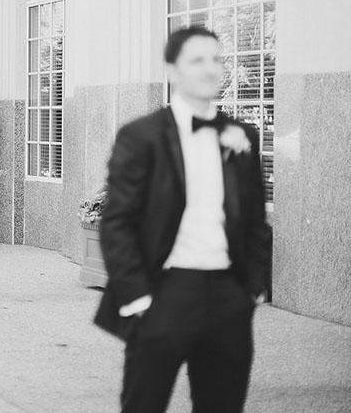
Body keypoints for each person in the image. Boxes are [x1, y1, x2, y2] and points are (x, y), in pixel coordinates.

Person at [94, 26, 271, 413]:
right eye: (197, 60)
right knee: (144, 405)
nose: (210, 68)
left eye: (216, 59)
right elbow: (117, 222)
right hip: (165, 292)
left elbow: (256, 219)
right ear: (173, 71)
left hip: (230, 297)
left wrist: (253, 288)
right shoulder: (141, 136)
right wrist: (139, 298)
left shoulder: (243, 136)